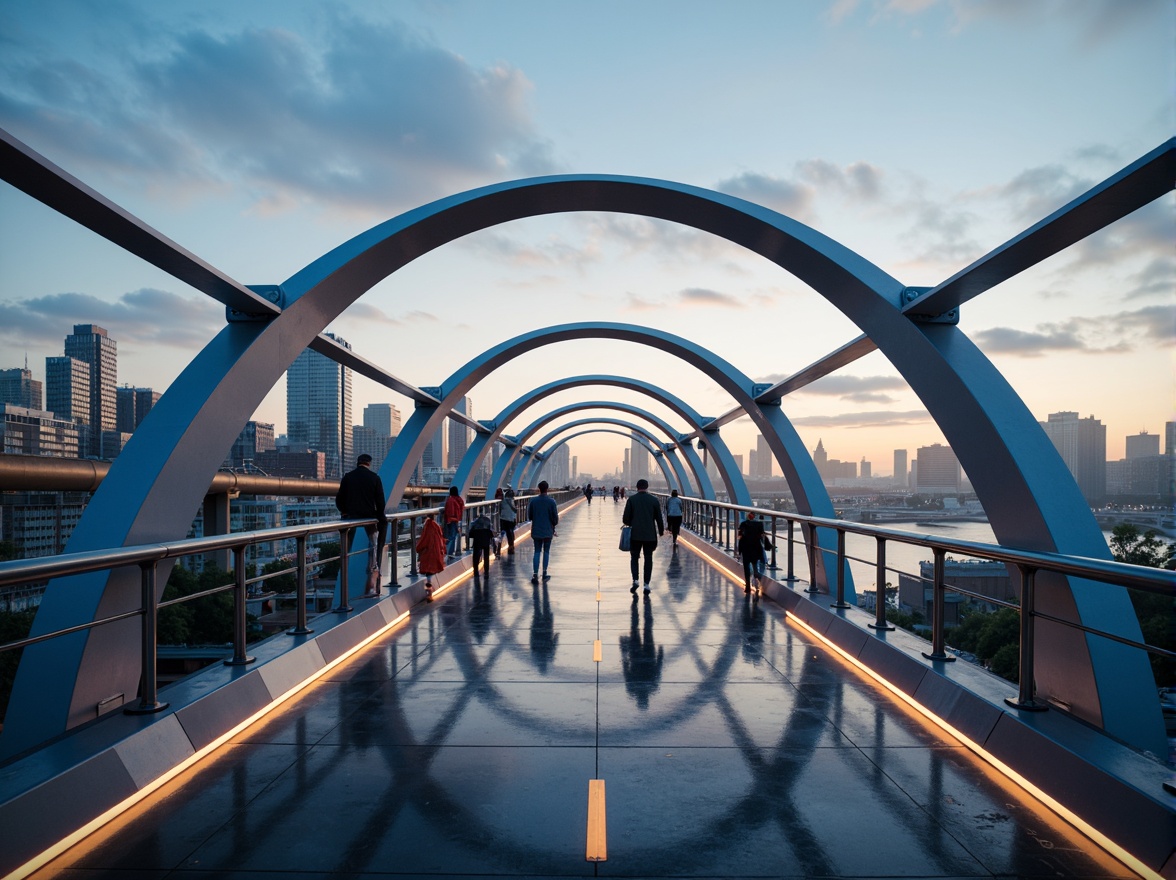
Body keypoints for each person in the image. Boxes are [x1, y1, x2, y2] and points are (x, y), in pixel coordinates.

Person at [335, 453, 387, 598]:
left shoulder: (348, 477)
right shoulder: (374, 478)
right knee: (374, 542)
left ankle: (344, 568)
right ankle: (373, 569)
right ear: (369, 463)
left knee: (347, 545)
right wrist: (378, 514)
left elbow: (339, 498)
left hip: (351, 516)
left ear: (357, 463)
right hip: (369, 516)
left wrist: (344, 511)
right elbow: (380, 501)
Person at [622, 478, 664, 594]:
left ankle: (635, 580)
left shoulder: (632, 500)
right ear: (647, 487)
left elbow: (625, 519)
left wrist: (633, 522)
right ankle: (646, 584)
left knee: (634, 557)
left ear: (637, 487)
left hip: (635, 535)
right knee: (648, 558)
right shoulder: (654, 500)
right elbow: (659, 519)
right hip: (650, 535)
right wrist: (660, 532)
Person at [527, 480, 559, 583]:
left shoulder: (533, 501)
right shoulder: (551, 502)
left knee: (537, 551)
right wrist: (553, 525)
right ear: (547, 489)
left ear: (538, 489)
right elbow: (555, 518)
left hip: (536, 530)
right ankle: (544, 573)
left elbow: (530, 516)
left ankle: (535, 575)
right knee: (546, 551)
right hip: (547, 531)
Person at [416, 513, 446, 601]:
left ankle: (429, 590)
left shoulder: (427, 527)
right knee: (431, 573)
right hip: (436, 553)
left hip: (428, 554)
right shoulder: (437, 526)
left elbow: (423, 541)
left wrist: (417, 548)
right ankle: (429, 590)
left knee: (428, 572)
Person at [737, 511, 766, 594]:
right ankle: (757, 576)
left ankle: (748, 587)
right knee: (754, 563)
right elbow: (762, 537)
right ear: (754, 517)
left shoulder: (743, 524)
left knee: (746, 567)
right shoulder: (759, 525)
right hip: (755, 547)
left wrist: (739, 551)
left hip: (745, 548)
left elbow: (740, 537)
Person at [469, 511, 495, 577]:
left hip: (477, 540)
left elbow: (470, 534)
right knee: (486, 556)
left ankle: (476, 571)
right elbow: (492, 532)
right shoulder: (488, 521)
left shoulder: (474, 523)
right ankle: (486, 572)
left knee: (476, 555)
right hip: (486, 539)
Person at [443, 486, 465, 558]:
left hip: (451, 520)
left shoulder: (451, 500)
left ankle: (447, 552)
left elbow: (450, 512)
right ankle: (450, 552)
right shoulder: (459, 500)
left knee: (451, 536)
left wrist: (449, 519)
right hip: (457, 520)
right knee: (454, 536)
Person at [498, 487, 517, 555]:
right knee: (510, 533)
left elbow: (500, 510)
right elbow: (515, 510)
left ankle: (498, 547)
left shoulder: (503, 501)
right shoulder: (512, 501)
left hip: (503, 519)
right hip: (511, 520)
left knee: (502, 533)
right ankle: (511, 547)